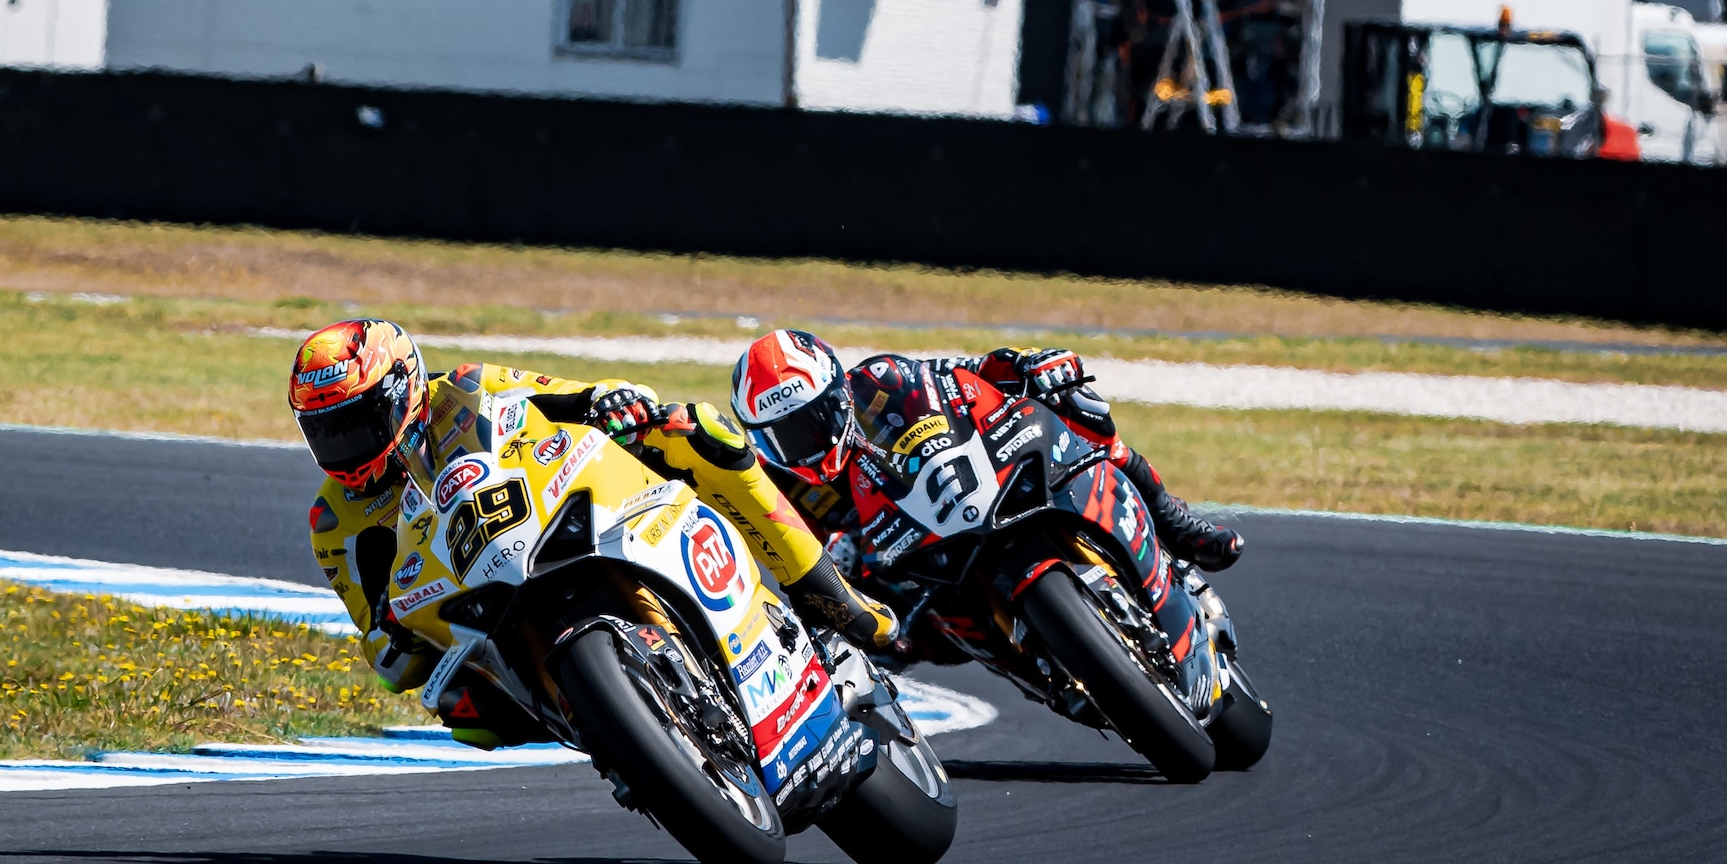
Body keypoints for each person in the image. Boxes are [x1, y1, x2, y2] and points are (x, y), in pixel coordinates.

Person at [289, 318, 897, 748]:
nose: (343, 447)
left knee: (699, 432)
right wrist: (394, 633)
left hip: (541, 513)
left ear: (401, 392)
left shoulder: (464, 388)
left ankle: (831, 595)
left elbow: (567, 396)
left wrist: (615, 402)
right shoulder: (333, 521)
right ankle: (626, 738)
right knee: (468, 714)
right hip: (468, 604)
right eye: (326, 432)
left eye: (354, 424)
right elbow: (382, 652)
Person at [731, 328, 1242, 595]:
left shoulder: (879, 380)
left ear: (837, 395)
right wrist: (835, 566)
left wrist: (1026, 364)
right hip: (911, 581)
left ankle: (1174, 522)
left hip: (969, 489)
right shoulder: (783, 484)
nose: (802, 442)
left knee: (1073, 405)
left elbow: (963, 374)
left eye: (809, 421)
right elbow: (795, 558)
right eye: (781, 435)